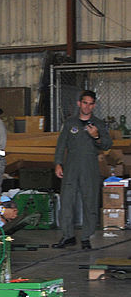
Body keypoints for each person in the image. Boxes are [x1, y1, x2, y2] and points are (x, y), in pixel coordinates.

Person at [52, 90, 112, 250]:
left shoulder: (98, 124)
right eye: (85, 102)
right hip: (71, 166)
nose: (87, 106)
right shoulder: (70, 123)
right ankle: (68, 235)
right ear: (79, 103)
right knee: (67, 201)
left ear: (94, 105)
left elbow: (107, 144)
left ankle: (86, 237)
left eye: (91, 103)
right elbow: (61, 145)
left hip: (89, 166)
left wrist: (97, 136)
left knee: (89, 201)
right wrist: (58, 163)